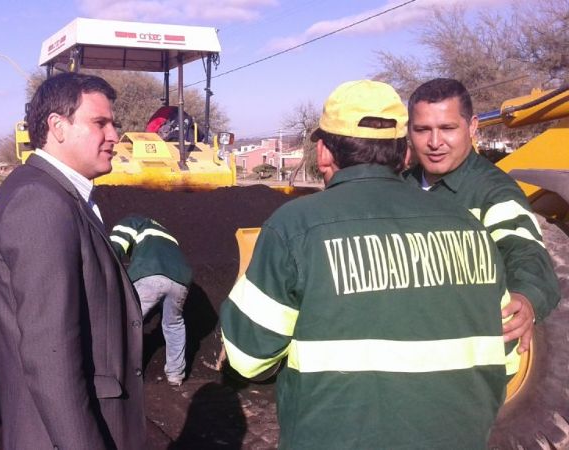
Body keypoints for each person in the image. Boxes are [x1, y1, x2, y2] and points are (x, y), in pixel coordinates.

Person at [220, 80, 519, 449]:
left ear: (324, 151)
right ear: (405, 154)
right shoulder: (471, 226)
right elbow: (507, 358)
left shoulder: (294, 227)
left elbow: (247, 356)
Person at [0, 72, 145, 449]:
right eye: (99, 123)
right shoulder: (41, 203)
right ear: (57, 126)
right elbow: (49, 354)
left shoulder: (58, 195)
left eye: (113, 124)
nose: (114, 136)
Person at [404, 78, 560, 352]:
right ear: (409, 131)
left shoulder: (493, 193)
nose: (434, 142)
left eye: (447, 128)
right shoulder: (398, 186)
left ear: (472, 126)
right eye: (422, 130)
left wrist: (527, 297)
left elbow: (525, 249)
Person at [109, 215, 193, 386]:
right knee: (174, 324)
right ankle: (175, 375)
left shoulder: (131, 222)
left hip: (150, 273)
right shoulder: (166, 235)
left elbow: (113, 249)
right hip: (181, 280)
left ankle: (119, 373)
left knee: (128, 322)